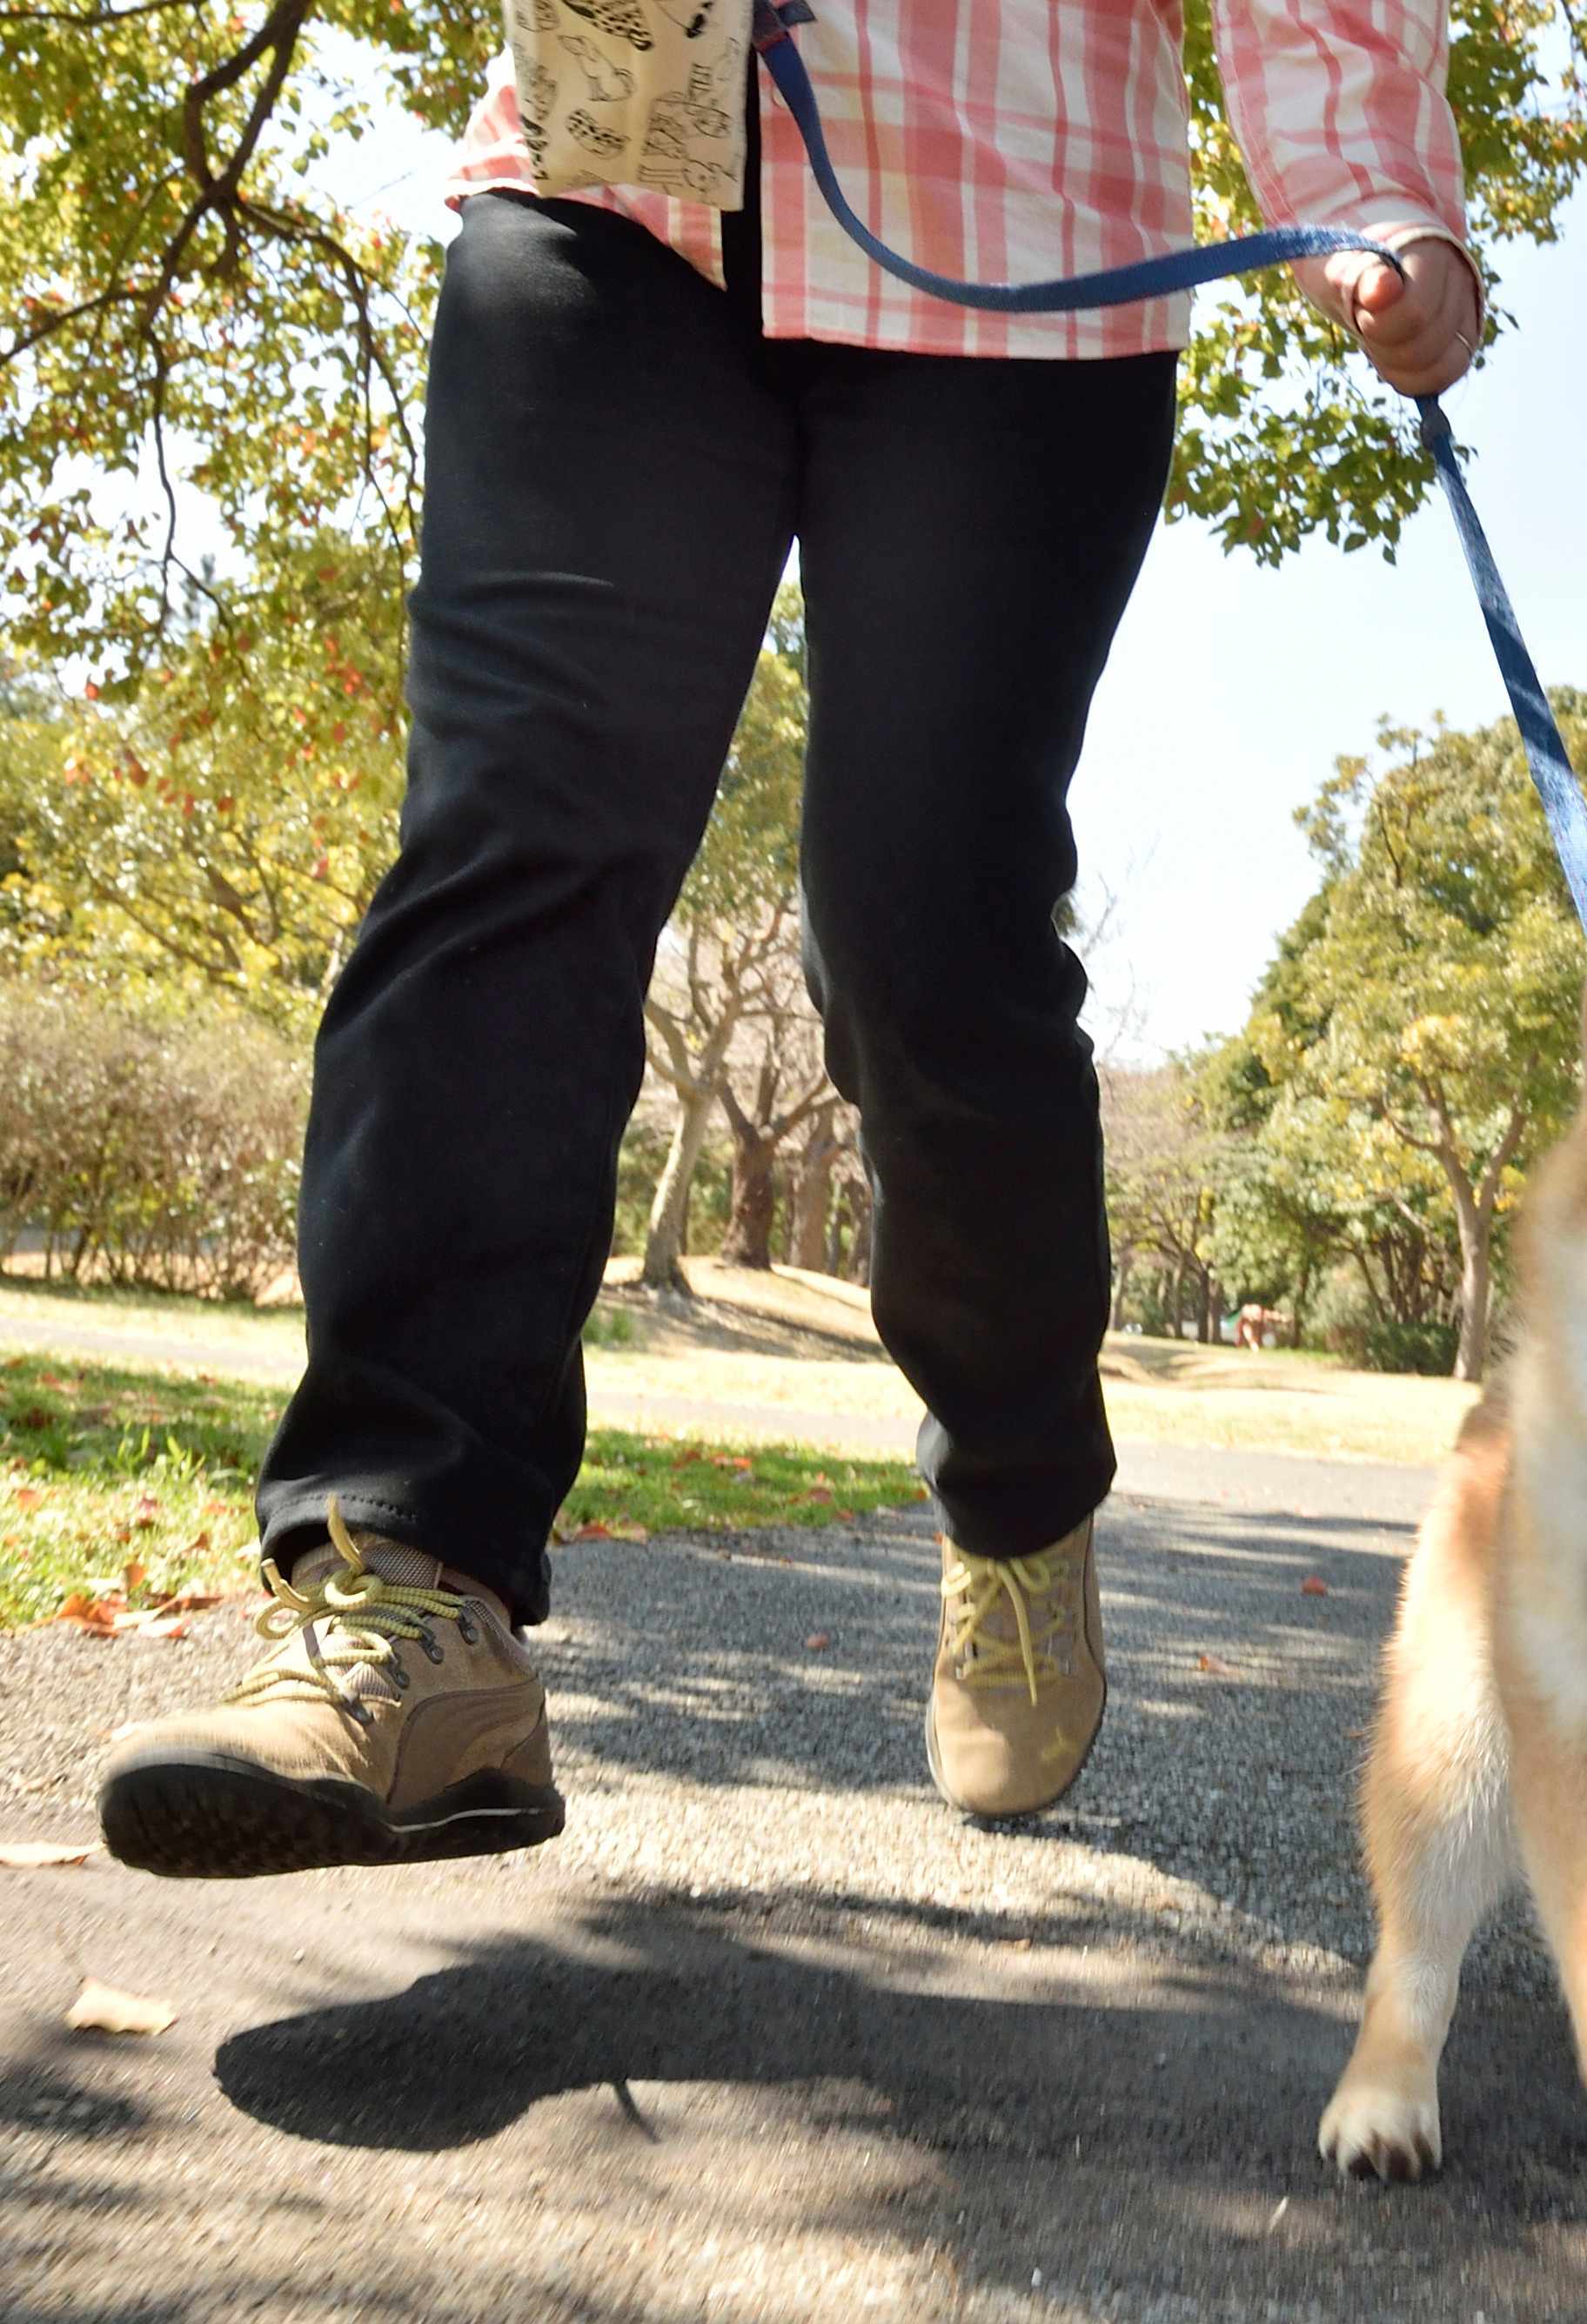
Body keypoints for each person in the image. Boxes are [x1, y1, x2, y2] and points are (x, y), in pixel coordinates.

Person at [94, 0, 1477, 1879]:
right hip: (618, 163)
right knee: (514, 836)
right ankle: (409, 1587)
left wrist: (1378, 194)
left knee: (924, 924)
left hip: (1019, 228)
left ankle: (1016, 1489)